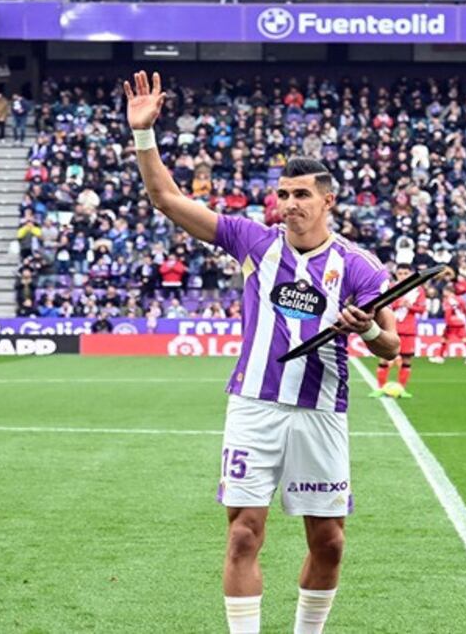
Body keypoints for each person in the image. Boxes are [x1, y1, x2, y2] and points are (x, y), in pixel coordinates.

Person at [124, 70, 399, 634]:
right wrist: (144, 135)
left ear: (328, 200)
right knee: (244, 531)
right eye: (283, 195)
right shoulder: (254, 241)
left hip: (321, 411)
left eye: (301, 195)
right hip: (254, 405)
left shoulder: (360, 265)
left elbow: (391, 345)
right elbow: (166, 198)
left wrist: (367, 329)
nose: (289, 205)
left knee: (329, 542)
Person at [373, 263, 426, 399]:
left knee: (406, 359)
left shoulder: (418, 290)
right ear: (396, 274)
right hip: (391, 327)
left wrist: (410, 306)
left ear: (411, 274)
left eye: (406, 273)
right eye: (400, 273)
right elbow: (382, 305)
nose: (403, 276)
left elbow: (421, 309)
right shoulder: (391, 288)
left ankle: (402, 389)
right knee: (384, 357)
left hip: (408, 329)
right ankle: (380, 388)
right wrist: (397, 304)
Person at [429, 286, 466, 364]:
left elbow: (448, 312)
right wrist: (464, 317)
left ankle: (440, 357)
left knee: (444, 338)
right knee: (464, 339)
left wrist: (447, 322)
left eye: (444, 291)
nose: (443, 293)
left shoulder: (447, 300)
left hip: (451, 322)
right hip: (461, 321)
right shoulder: (460, 299)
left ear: (448, 291)